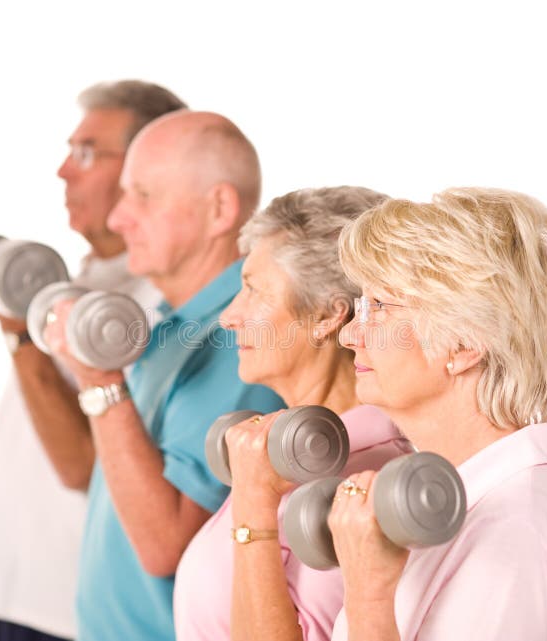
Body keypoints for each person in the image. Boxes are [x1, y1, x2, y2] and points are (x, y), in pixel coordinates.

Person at [0, 80, 187, 641]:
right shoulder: (78, 281)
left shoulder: (159, 310)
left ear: (145, 169)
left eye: (87, 152)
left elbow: (84, 465)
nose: (64, 171)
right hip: (12, 591)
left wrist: (19, 335)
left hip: (68, 610)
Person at [327, 188, 547, 640]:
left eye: (379, 307)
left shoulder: (516, 529)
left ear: (463, 344)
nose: (348, 335)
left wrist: (368, 596)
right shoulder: (469, 504)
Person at [43, 110, 285, 641]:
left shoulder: (240, 341)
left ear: (219, 208)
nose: (117, 219)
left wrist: (98, 379)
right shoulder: (173, 326)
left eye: (143, 196)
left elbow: (163, 545)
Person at [173, 186, 411, 641]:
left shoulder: (366, 486)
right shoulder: (273, 457)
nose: (229, 316)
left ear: (326, 315)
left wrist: (253, 502)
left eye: (253, 291)